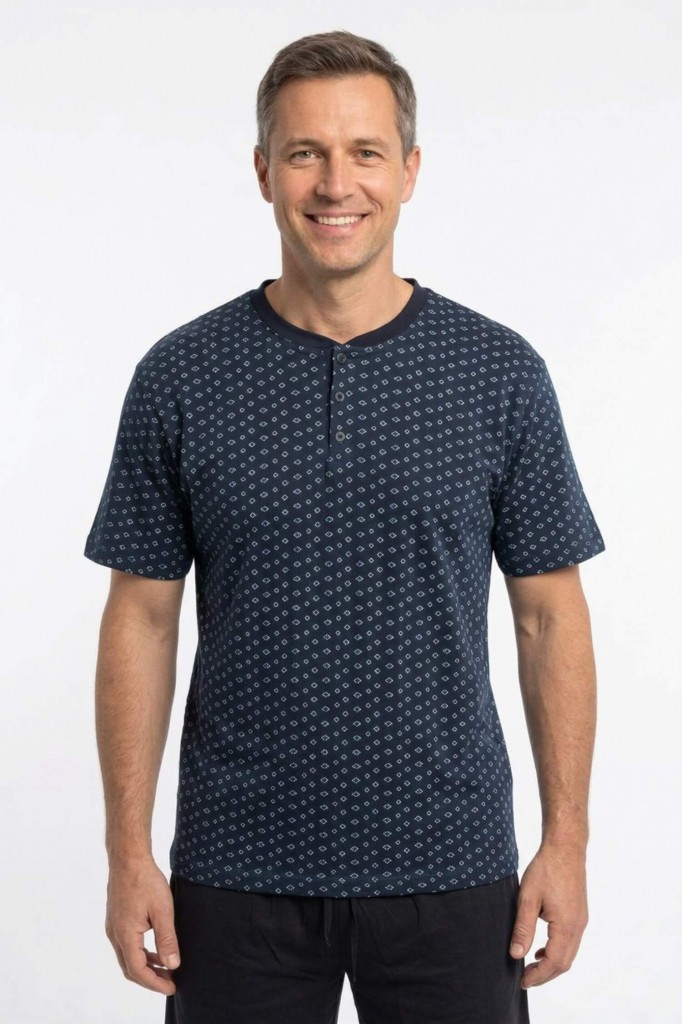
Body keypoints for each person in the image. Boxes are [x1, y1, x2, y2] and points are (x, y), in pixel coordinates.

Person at [84, 29, 605, 1024]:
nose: (335, 184)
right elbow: (141, 617)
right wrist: (127, 853)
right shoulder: (181, 376)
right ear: (262, 172)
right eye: (304, 153)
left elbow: (549, 616)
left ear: (409, 170)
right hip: (235, 871)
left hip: (454, 867)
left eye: (365, 151)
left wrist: (567, 841)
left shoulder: (497, 374)